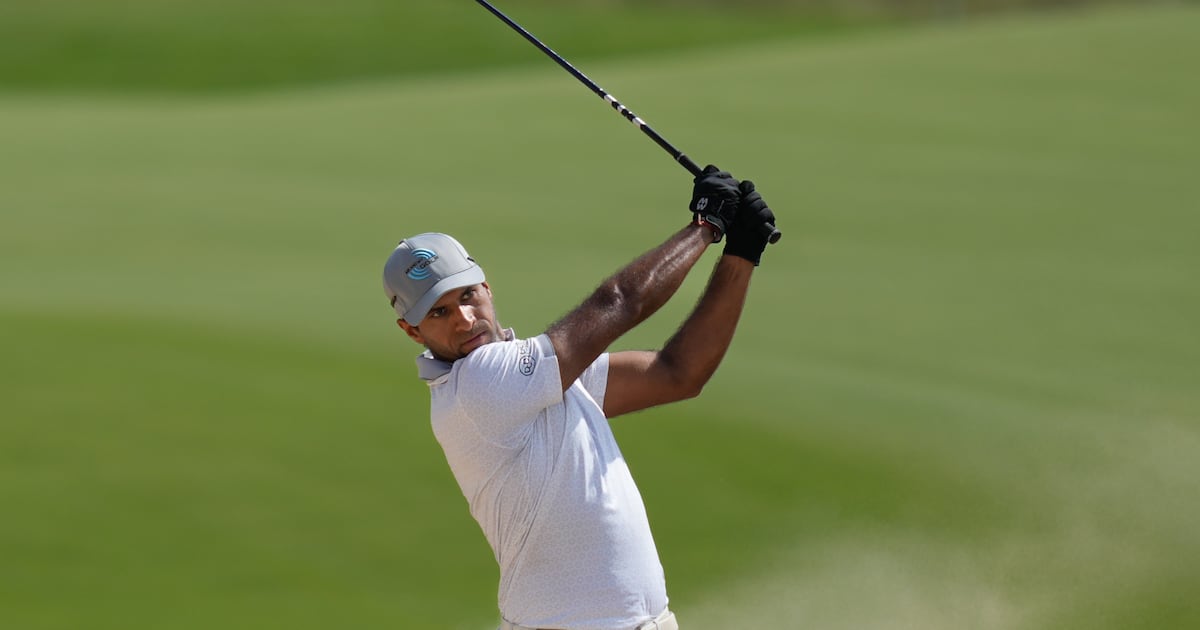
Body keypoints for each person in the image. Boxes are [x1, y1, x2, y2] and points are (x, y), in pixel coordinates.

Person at [382, 166, 777, 630]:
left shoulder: (532, 378)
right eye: (440, 312)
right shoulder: (482, 384)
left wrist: (741, 255)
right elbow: (619, 302)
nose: (465, 319)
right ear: (412, 331)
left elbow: (678, 373)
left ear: (487, 287)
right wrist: (705, 227)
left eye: (468, 295)